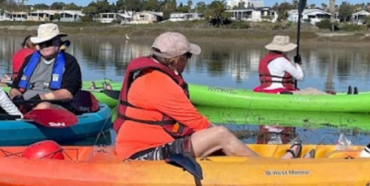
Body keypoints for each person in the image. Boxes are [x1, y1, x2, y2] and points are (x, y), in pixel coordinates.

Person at [115, 32, 301, 159]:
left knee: (220, 137)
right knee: (220, 134)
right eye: (188, 56)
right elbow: (199, 125)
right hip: (142, 153)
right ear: (177, 59)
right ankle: (270, 169)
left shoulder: (150, 75)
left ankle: (250, 158)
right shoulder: (160, 84)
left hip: (148, 145)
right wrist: (225, 137)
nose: (188, 61)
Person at [8, 23, 83, 112]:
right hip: (25, 103)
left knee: (43, 106)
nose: (44, 46)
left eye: (48, 42)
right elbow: (15, 87)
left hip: (54, 105)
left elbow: (67, 93)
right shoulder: (29, 60)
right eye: (41, 43)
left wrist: (39, 98)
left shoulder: (70, 61)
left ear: (58, 41)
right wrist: (17, 97)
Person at [254, 35, 326, 95]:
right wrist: (297, 64)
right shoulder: (283, 61)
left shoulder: (264, 59)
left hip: (263, 89)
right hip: (280, 92)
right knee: (312, 90)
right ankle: (330, 97)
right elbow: (300, 77)